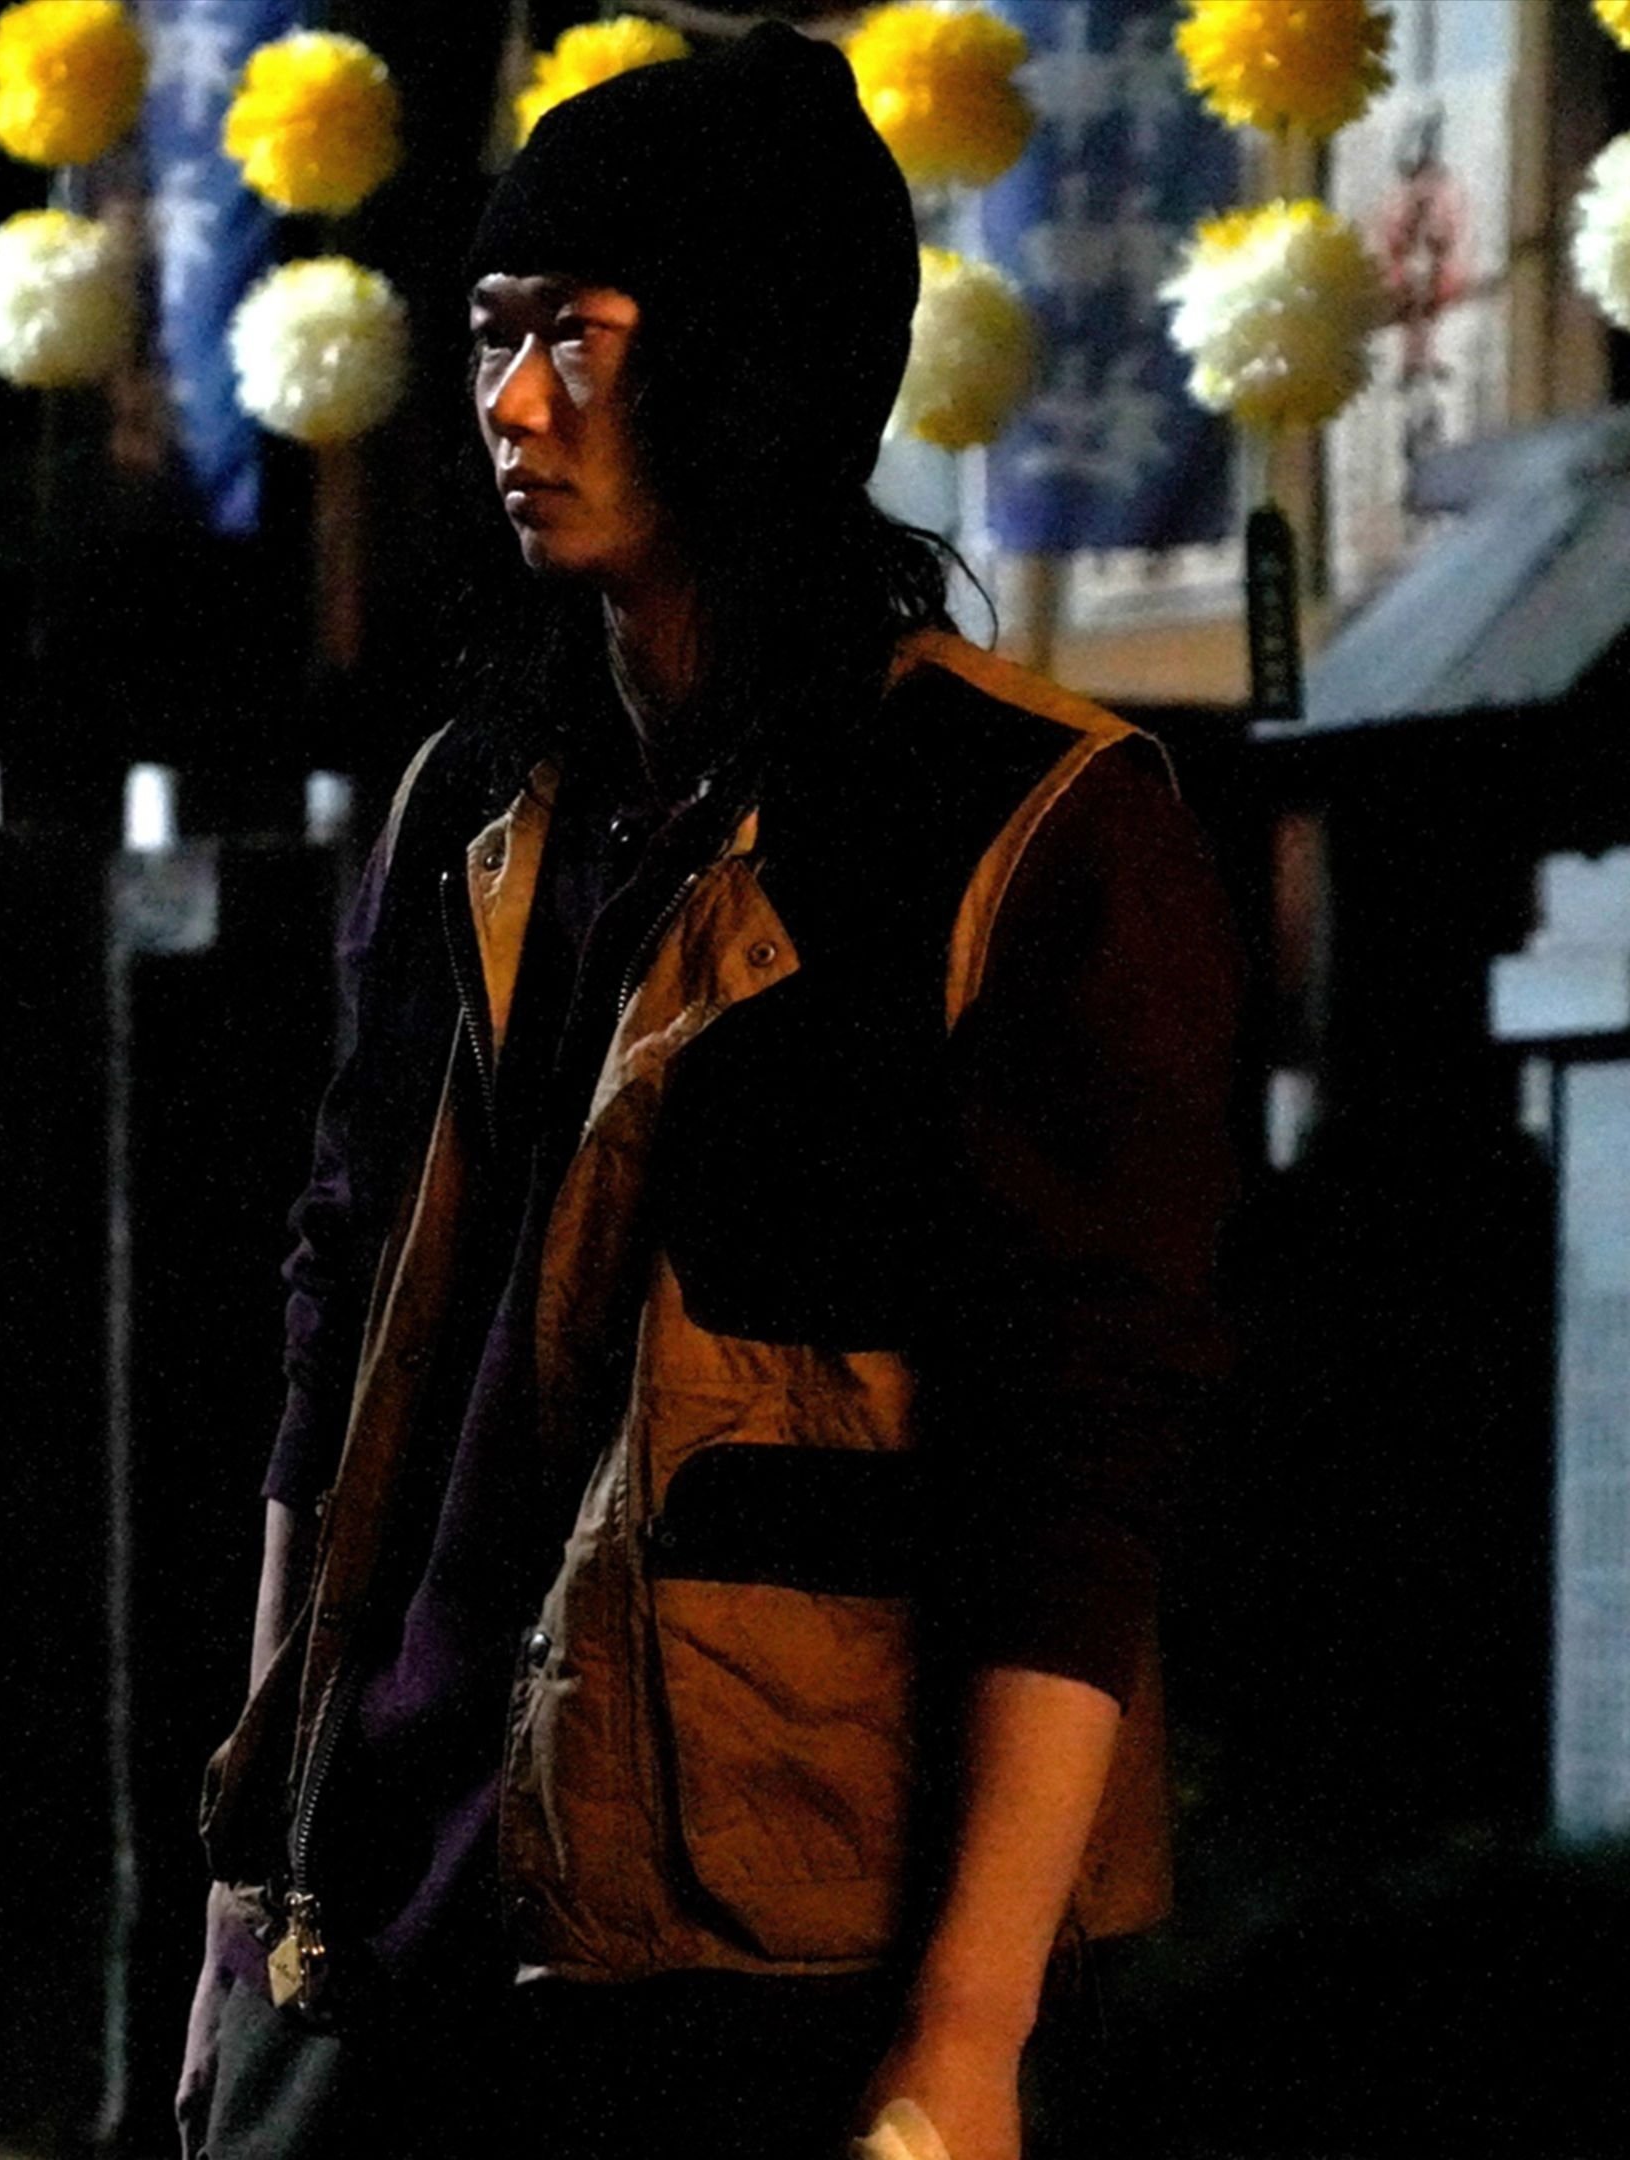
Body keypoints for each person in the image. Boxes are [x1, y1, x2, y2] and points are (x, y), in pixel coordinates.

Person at [175, 27, 1235, 2160]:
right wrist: (242, 1894)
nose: (510, 403)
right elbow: (336, 1325)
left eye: (574, 337)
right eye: (491, 339)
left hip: (773, 1931)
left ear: (751, 364)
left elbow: (1078, 1469)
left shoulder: (1024, 825)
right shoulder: (477, 802)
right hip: (405, 1895)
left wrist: (964, 2037)